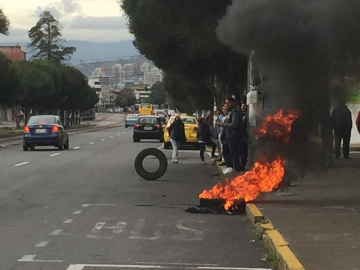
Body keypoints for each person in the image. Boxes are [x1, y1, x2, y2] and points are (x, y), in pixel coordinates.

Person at [219, 97, 243, 173]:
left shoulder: (235, 112)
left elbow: (234, 124)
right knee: (230, 154)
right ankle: (233, 168)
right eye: (226, 103)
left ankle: (236, 170)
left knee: (234, 155)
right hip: (230, 137)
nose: (227, 104)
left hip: (234, 137)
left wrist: (224, 124)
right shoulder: (231, 112)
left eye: (228, 102)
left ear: (233, 102)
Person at [239, 102, 248, 169]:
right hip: (239, 136)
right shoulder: (240, 115)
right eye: (242, 106)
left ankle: (243, 164)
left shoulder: (248, 115)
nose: (243, 107)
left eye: (244, 106)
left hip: (245, 136)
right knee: (240, 151)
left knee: (243, 151)